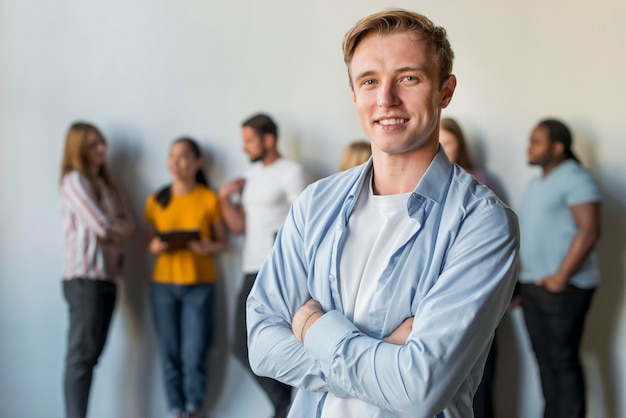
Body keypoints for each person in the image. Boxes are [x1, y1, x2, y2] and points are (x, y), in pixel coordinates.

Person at [246, 9, 520, 418]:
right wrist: (384, 357)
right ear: (355, 93)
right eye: (369, 81)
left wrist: (311, 327)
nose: (385, 98)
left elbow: (416, 391)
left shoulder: (482, 222)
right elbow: (262, 346)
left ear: (445, 91)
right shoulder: (314, 204)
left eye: (409, 78)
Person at [219, 113, 308, 418]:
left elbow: (303, 224)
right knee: (239, 346)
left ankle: (285, 405)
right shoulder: (249, 177)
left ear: (268, 140)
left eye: (249, 140)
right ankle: (284, 403)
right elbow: (239, 228)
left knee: (279, 342)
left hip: (276, 273)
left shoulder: (291, 172)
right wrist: (224, 200)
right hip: (249, 269)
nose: (244, 147)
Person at [518, 119, 600, 418]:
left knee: (564, 362)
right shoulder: (536, 183)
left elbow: (589, 231)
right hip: (532, 287)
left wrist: (561, 277)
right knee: (544, 361)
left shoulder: (576, 178)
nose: (529, 147)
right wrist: (518, 284)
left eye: (536, 141)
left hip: (565, 288)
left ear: (557, 147)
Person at [144, 137, 228, 418]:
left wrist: (207, 247)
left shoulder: (208, 198)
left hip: (199, 285)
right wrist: (154, 246)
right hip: (163, 286)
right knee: (169, 354)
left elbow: (222, 242)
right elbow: (148, 242)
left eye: (182, 157)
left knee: (194, 354)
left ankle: (194, 408)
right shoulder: (157, 199)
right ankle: (175, 410)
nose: (175, 163)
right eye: (171, 157)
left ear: (196, 163)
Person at [60, 121, 135, 418]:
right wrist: (118, 228)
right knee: (81, 356)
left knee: (91, 356)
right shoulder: (74, 180)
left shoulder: (107, 183)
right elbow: (103, 227)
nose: (102, 149)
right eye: (93, 144)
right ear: (78, 148)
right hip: (84, 278)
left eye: (102, 142)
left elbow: (129, 222)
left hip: (108, 276)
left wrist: (119, 228)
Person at [439, 116, 498, 418]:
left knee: (479, 377)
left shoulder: (479, 182)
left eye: (448, 142)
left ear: (459, 144)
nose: (442, 148)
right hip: (441, 300)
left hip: (476, 293)